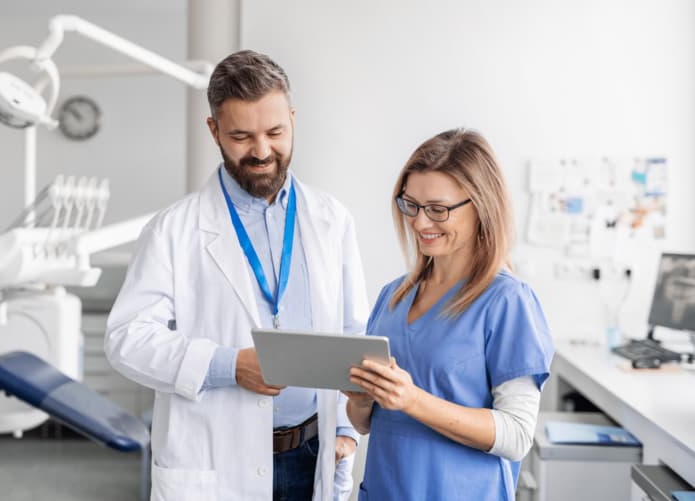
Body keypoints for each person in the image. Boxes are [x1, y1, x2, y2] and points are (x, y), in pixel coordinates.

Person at [105, 50, 368, 501]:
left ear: (292, 118)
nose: (262, 151)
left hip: (313, 454)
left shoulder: (331, 219)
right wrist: (227, 366)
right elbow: (127, 339)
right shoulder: (173, 230)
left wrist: (345, 430)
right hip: (217, 461)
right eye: (242, 136)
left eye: (275, 132)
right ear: (214, 131)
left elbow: (352, 331)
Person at [345, 129, 554, 500]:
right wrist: (362, 400)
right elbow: (366, 424)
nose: (421, 223)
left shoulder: (507, 301)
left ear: (482, 206)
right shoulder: (392, 297)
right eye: (411, 205)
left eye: (438, 210)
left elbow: (517, 435)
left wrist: (411, 399)